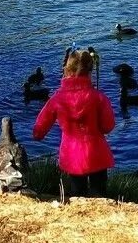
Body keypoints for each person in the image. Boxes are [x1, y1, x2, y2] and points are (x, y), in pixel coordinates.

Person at [32, 48, 115, 202]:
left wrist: (37, 135)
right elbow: (108, 126)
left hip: (72, 155)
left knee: (77, 196)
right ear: (90, 72)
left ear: (66, 70)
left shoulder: (57, 99)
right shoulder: (98, 97)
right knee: (100, 197)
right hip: (97, 154)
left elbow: (38, 131)